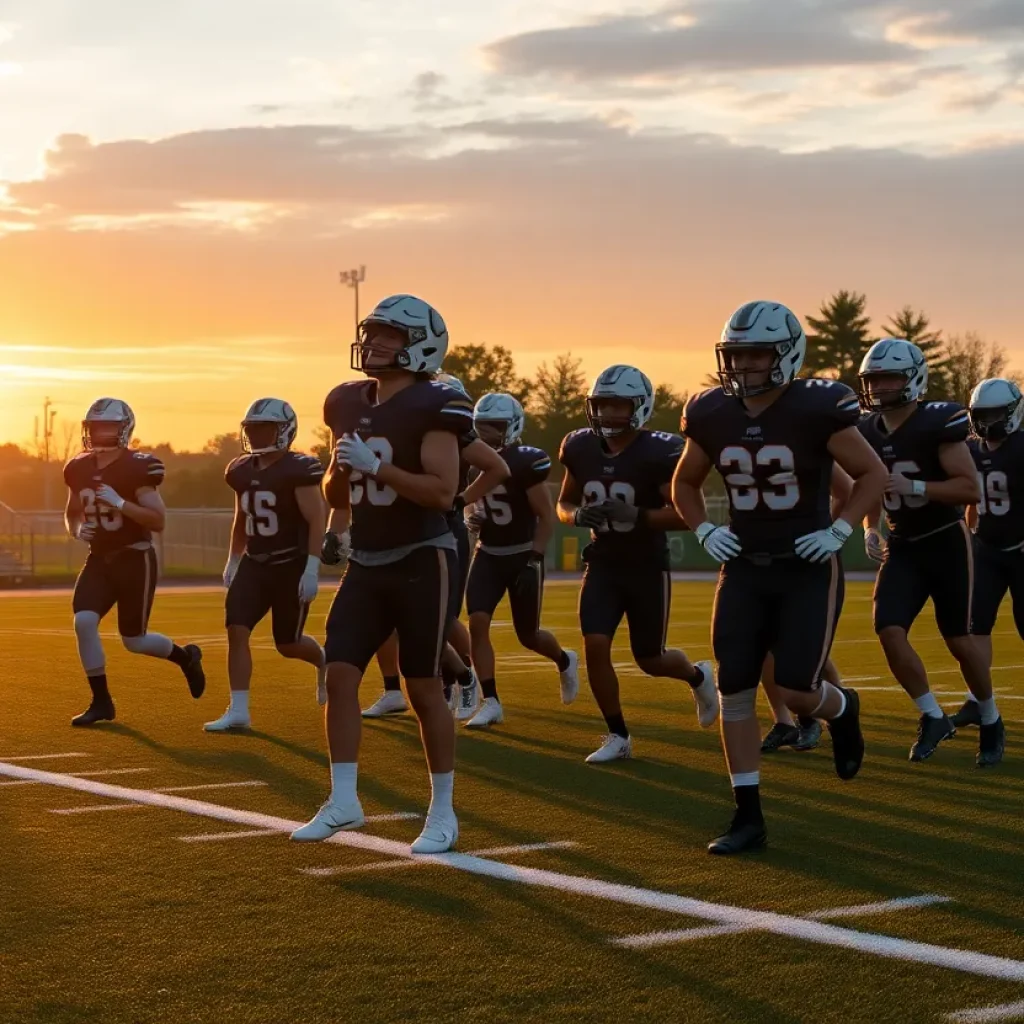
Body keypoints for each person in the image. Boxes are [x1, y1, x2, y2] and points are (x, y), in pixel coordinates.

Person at [672, 300, 886, 855]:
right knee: (735, 687)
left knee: (796, 688)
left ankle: (843, 709)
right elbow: (685, 484)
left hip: (807, 566)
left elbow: (873, 474)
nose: (741, 366)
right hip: (742, 565)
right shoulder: (712, 412)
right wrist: (703, 530)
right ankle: (748, 815)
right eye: (735, 354)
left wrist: (839, 530)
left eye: (755, 354)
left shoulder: (816, 408)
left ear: (786, 355)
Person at [291, 294, 471, 854]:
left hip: (422, 555)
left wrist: (382, 467)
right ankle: (343, 799)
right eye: (372, 333)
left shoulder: (437, 402)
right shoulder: (346, 402)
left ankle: (443, 812)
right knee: (341, 674)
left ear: (420, 344)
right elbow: (337, 490)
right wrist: (343, 479)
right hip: (366, 558)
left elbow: (443, 492)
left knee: (422, 687)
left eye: (389, 336)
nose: (374, 344)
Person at [557, 364, 718, 763]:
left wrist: (639, 516)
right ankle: (617, 735)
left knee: (650, 658)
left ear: (640, 407)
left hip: (647, 564)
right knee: (595, 645)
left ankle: (697, 676)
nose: (609, 414)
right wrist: (575, 517)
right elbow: (564, 503)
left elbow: (685, 513)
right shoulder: (579, 446)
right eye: (602, 405)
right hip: (602, 562)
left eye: (618, 406)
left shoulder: (658, 452)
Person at [857, 339, 1001, 766]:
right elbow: (868, 484)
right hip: (901, 544)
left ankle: (991, 718)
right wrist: (869, 526)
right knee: (888, 629)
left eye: (890, 377)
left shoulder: (937, 423)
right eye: (874, 379)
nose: (880, 387)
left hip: (944, 539)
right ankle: (932, 715)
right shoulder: (865, 431)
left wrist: (917, 487)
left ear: (913, 379)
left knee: (959, 640)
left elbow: (969, 488)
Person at [360, 372, 508, 721]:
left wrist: (460, 500)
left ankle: (469, 679)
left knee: (436, 620)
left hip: (439, 530)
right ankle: (404, 688)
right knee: (394, 618)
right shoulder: (398, 425)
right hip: (400, 530)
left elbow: (497, 468)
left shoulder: (450, 431)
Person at [63, 397, 206, 726]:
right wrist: (77, 529)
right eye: (95, 427)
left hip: (134, 557)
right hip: (98, 558)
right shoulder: (77, 467)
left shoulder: (137, 467)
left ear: (124, 429)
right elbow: (71, 513)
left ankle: (185, 658)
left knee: (134, 641)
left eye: (107, 427)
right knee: (83, 622)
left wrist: (121, 504)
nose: (99, 433)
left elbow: (158, 521)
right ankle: (101, 702)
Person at [204, 399, 328, 731]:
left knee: (288, 644)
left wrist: (312, 568)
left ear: (284, 431)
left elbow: (317, 519)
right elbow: (241, 516)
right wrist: (233, 558)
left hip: (291, 564)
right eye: (253, 429)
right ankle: (239, 709)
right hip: (255, 563)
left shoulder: (297, 470)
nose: (257, 436)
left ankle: (324, 661)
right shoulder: (241, 470)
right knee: (236, 629)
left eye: (265, 429)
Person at [463, 392, 579, 728]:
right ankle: (491, 701)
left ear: (512, 427)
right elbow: (477, 508)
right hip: (487, 553)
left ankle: (563, 659)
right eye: (482, 427)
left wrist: (534, 559)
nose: (487, 434)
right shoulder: (475, 464)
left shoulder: (525, 463)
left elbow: (546, 517)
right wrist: (475, 517)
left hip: (520, 555)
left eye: (495, 427)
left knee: (527, 636)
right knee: (477, 623)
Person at [760, 464, 852, 754]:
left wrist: (829, 532)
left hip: (807, 558)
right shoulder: (741, 433)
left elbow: (846, 490)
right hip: (761, 555)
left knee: (807, 646)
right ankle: (785, 721)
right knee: (761, 642)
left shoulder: (807, 434)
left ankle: (840, 711)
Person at [948, 378, 1017, 761]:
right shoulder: (971, 450)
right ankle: (977, 699)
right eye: (982, 415)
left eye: (994, 415)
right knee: (974, 629)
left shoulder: (1022, 448)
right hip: (987, 550)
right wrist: (970, 533)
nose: (987, 422)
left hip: (1022, 551)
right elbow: (971, 498)